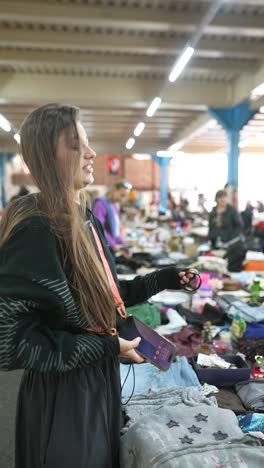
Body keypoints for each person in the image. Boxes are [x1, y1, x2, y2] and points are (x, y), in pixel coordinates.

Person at [0, 103, 194, 468]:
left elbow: (106, 297)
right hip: (64, 392)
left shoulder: (83, 218)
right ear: (46, 155)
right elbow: (10, 342)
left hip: (96, 378)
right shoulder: (35, 230)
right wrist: (104, 345)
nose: (91, 154)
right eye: (76, 144)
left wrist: (163, 279)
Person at [208, 189, 246, 271]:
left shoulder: (232, 210)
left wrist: (231, 238)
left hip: (229, 242)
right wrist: (211, 238)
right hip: (216, 243)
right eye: (220, 197)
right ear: (216, 199)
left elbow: (239, 226)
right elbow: (210, 227)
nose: (222, 199)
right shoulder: (213, 211)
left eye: (224, 197)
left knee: (229, 264)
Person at [92, 180, 132, 253]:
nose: (123, 199)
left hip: (110, 249)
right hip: (103, 249)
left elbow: (115, 233)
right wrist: (112, 245)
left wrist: (124, 245)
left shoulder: (114, 206)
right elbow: (98, 228)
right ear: (114, 190)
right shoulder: (100, 204)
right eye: (122, 195)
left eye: (125, 196)